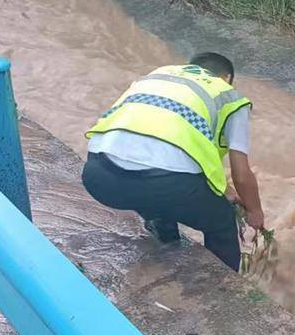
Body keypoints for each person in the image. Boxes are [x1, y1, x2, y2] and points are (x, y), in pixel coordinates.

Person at [82, 52, 263, 272]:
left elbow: (164, 143)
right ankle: (226, 288)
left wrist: (223, 188)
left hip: (98, 176)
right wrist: (255, 212)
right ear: (225, 78)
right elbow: (241, 173)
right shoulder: (229, 96)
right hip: (163, 185)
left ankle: (167, 246)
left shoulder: (157, 76)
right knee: (221, 222)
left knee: (159, 196)